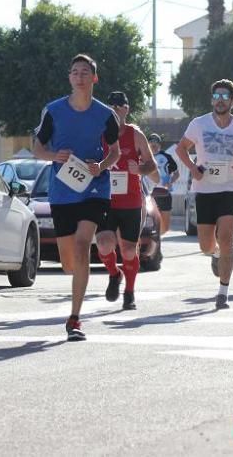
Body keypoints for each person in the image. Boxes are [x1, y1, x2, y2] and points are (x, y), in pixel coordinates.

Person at [33, 54, 121, 341]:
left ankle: (74, 318)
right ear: (69, 78)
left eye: (85, 72)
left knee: (83, 246)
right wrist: (52, 155)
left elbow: (115, 152)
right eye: (75, 72)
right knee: (69, 262)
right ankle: (86, 283)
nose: (79, 76)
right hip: (62, 191)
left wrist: (102, 166)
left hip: (95, 187)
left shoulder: (105, 114)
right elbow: (37, 148)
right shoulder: (54, 110)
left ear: (93, 78)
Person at [175, 79, 233, 310]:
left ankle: (223, 292)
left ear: (232, 101)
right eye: (216, 96)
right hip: (204, 189)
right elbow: (180, 148)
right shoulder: (199, 124)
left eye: (225, 96)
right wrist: (193, 169)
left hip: (229, 188)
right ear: (212, 100)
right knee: (205, 245)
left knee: (226, 239)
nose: (220, 100)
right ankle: (213, 254)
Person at [96, 91, 157, 310]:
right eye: (110, 107)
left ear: (126, 110)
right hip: (105, 200)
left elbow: (152, 165)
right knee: (103, 244)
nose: (115, 110)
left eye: (119, 107)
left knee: (129, 250)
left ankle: (129, 291)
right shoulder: (99, 134)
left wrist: (139, 168)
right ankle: (114, 273)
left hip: (131, 202)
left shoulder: (135, 134)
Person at [146, 133, 180, 235]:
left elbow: (177, 173)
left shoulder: (166, 157)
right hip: (149, 194)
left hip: (164, 192)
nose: (153, 145)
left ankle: (158, 237)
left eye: (156, 143)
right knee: (149, 222)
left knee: (165, 226)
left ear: (160, 145)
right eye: (151, 143)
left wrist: (170, 182)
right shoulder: (143, 157)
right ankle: (154, 242)